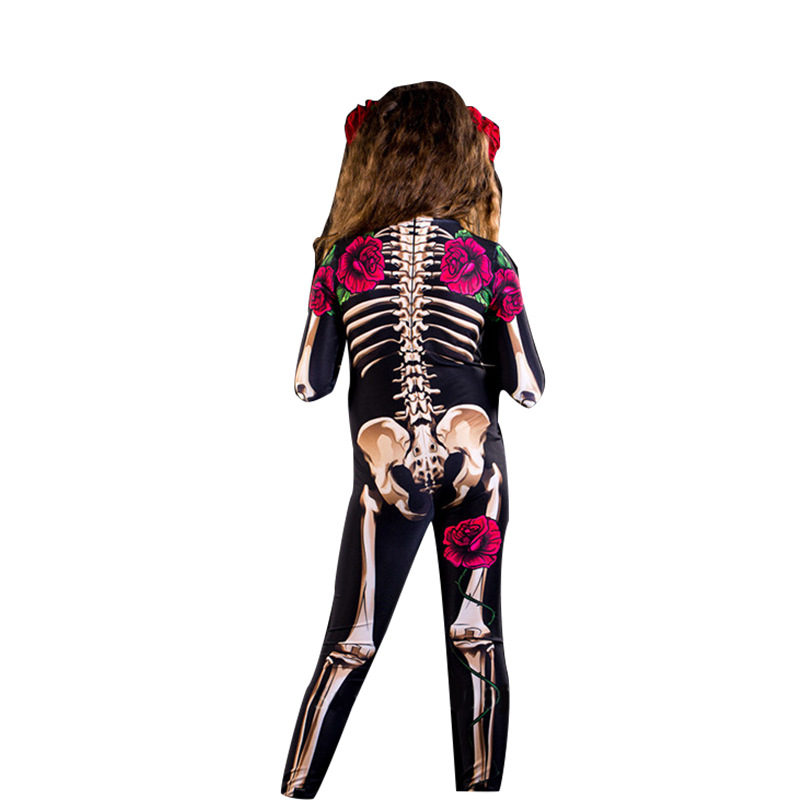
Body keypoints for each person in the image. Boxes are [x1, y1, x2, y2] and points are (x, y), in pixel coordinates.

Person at [281, 81, 545, 797]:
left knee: (350, 641)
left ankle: (295, 789)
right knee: (477, 638)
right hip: (475, 469)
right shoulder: (491, 262)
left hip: (386, 473)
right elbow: (528, 384)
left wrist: (333, 287)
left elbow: (309, 381)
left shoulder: (341, 261)